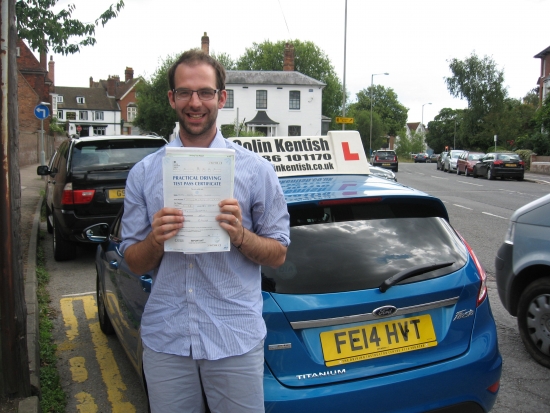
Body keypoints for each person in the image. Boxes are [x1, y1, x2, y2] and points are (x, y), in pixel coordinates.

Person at [120, 49, 290, 413]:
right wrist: (156, 241)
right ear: (171, 99)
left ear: (221, 98)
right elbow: (133, 262)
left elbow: (279, 253)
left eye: (205, 92)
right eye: (184, 92)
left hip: (234, 340)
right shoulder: (145, 174)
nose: (195, 102)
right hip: (167, 341)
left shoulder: (257, 171)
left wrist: (241, 236)